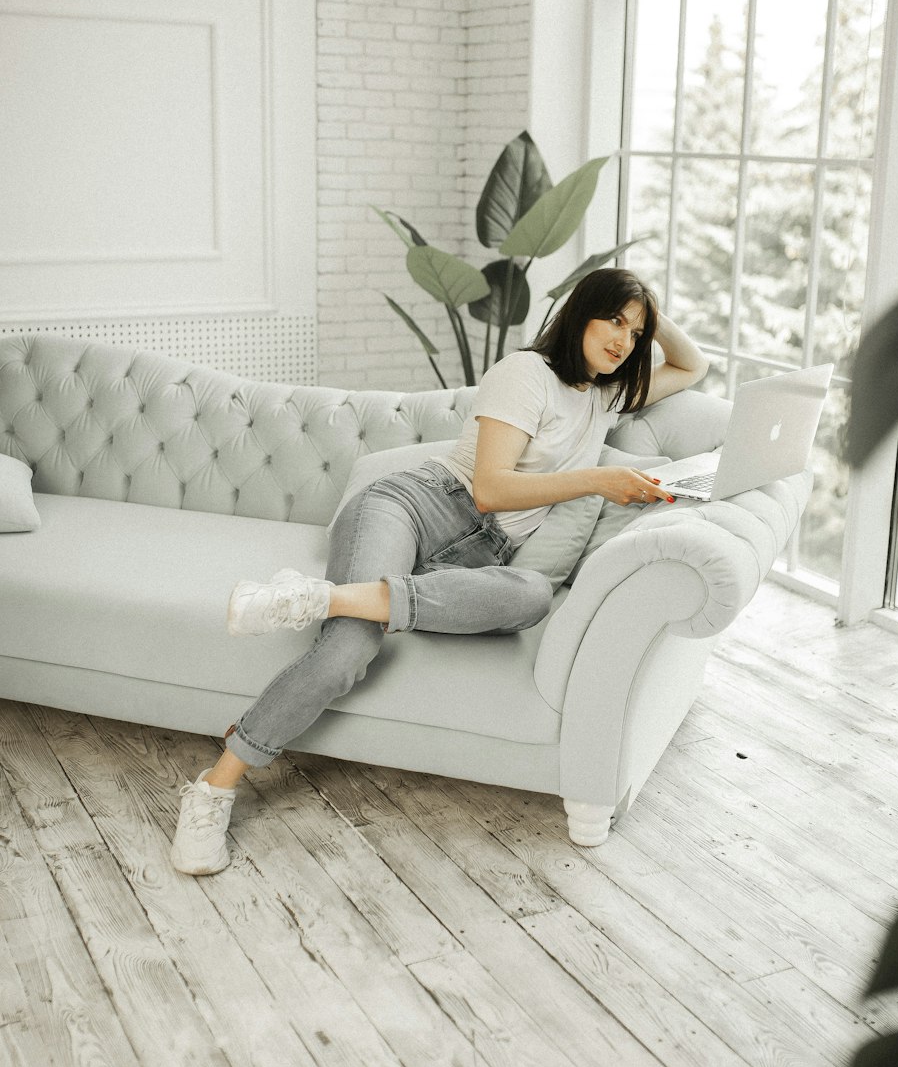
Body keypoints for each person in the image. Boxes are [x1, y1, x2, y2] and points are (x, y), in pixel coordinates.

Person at [169, 268, 709, 874]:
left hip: (484, 555)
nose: (624, 340)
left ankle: (319, 597)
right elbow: (489, 488)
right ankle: (214, 789)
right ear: (581, 313)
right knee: (349, 650)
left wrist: (650, 313)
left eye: (636, 333)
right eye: (613, 319)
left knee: (532, 595)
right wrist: (600, 479)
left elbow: (692, 367)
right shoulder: (525, 373)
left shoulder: (607, 395)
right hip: (416, 507)